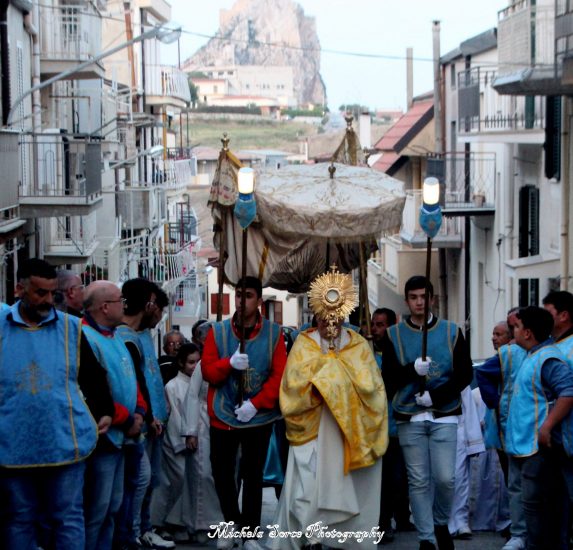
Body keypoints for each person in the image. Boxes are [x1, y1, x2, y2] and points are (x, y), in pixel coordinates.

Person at [272, 267, 388, 549]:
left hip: (346, 431)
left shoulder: (358, 345)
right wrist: (325, 380)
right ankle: (311, 537)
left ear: (344, 314)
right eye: (324, 314)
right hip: (313, 428)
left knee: (343, 483)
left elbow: (372, 387)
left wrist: (335, 379)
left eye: (335, 314)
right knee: (308, 486)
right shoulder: (304, 344)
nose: (330, 320)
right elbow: (292, 385)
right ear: (316, 313)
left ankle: (341, 539)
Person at [0, 259, 108, 549]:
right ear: (19, 289)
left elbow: (92, 375)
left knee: (67, 517)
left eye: (53, 293)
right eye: (40, 293)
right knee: (19, 517)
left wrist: (104, 410)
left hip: (64, 440)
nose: (48, 300)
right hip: (12, 442)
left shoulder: (70, 328)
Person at [381, 275, 473, 550]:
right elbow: (387, 378)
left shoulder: (452, 331)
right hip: (409, 415)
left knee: (446, 478)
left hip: (444, 413)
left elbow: (465, 374)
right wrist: (411, 370)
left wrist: (437, 395)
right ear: (407, 300)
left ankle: (440, 522)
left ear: (431, 299)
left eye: (423, 297)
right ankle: (426, 538)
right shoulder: (393, 335)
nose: (419, 302)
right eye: (413, 297)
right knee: (418, 481)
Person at [201, 276, 287, 550]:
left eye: (248, 296)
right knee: (222, 472)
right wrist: (228, 363)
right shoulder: (218, 331)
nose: (241, 301)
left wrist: (256, 404)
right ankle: (231, 523)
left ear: (259, 300)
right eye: (238, 295)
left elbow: (279, 375)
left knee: (253, 475)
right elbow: (208, 371)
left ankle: (250, 533)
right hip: (223, 410)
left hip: (257, 415)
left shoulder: (274, 333)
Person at [81, 281, 146, 550]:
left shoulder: (116, 335)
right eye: (121, 301)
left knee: (113, 507)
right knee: (97, 509)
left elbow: (132, 379)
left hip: (124, 436)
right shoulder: (85, 337)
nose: (125, 306)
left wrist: (139, 412)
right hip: (105, 438)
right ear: (105, 307)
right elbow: (95, 392)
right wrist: (126, 419)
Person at [504, 306, 573, 549]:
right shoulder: (533, 355)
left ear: (528, 333)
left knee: (539, 508)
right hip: (524, 445)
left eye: (516, 327)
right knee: (531, 505)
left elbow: (568, 392)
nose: (513, 331)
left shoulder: (548, 358)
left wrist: (547, 426)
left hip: (538, 447)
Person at [117, 278, 173, 550]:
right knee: (139, 481)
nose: (160, 317)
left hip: (154, 420)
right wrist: (148, 415)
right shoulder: (124, 337)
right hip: (140, 421)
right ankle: (133, 531)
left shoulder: (143, 335)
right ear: (150, 305)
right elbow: (137, 382)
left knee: (150, 481)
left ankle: (144, 528)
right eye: (159, 310)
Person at [476, 309, 527, 550]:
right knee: (513, 481)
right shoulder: (507, 355)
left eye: (501, 333)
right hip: (505, 428)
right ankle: (516, 528)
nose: (494, 338)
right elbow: (484, 375)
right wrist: (496, 403)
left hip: (523, 427)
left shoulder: (526, 353)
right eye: (493, 333)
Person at [371, 307, 413, 542]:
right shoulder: (367, 354)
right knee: (383, 479)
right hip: (375, 428)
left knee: (398, 478)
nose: (375, 329)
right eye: (373, 324)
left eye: (381, 325)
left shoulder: (400, 353)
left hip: (397, 424)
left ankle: (399, 518)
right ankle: (382, 523)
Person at [152, 343, 201, 538]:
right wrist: (184, 439)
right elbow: (174, 417)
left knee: (190, 483)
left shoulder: (200, 383)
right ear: (181, 363)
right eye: (191, 362)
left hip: (194, 440)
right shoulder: (172, 386)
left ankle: (184, 524)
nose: (195, 366)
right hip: (177, 442)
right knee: (176, 482)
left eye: (198, 362)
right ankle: (165, 523)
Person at [182, 326, 225, 542]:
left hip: (225, 423)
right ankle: (200, 524)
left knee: (224, 477)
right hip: (203, 423)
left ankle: (221, 522)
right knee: (203, 475)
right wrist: (191, 431)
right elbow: (192, 396)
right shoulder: (202, 366)